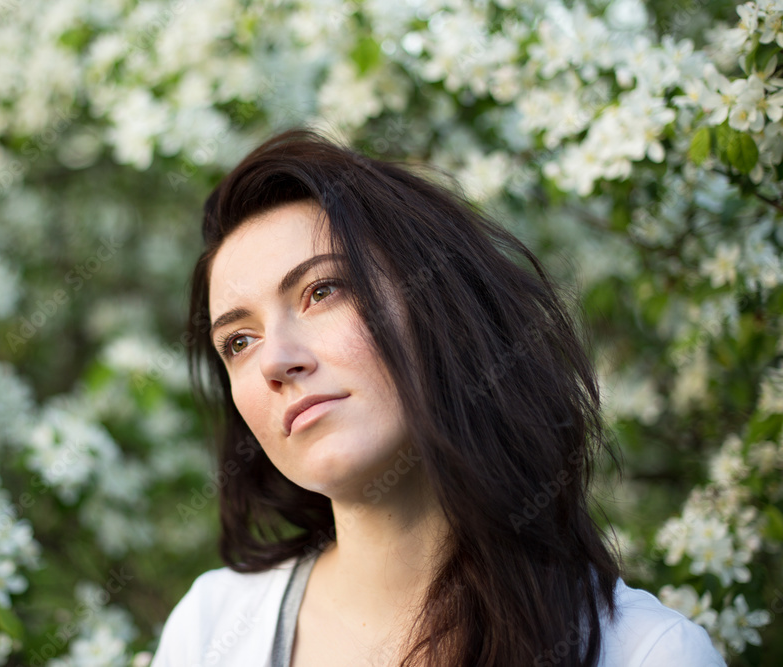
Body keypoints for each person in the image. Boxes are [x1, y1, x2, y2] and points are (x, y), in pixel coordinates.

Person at [150, 129, 724, 666]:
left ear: (440, 307)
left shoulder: (648, 652)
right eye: (239, 341)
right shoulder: (211, 629)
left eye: (322, 291)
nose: (276, 360)